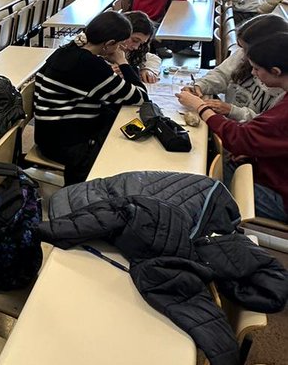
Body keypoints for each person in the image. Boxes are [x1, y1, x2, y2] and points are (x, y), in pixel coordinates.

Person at [179, 33, 288, 222]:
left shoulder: (284, 111)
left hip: (280, 198)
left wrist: (200, 106)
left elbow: (240, 138)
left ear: (276, 71)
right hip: (271, 173)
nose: (253, 73)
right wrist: (255, 154)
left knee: (199, 190)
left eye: (256, 69)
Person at [33, 11, 148, 184]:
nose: (120, 49)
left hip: (48, 134)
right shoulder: (90, 65)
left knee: (119, 119)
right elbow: (141, 98)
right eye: (119, 45)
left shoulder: (67, 51)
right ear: (109, 44)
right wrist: (123, 62)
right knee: (127, 142)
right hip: (65, 144)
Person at [191, 14, 288, 122]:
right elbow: (221, 74)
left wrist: (232, 111)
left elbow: (266, 126)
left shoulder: (282, 87)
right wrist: (201, 85)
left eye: (246, 49)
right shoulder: (244, 55)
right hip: (226, 124)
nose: (243, 54)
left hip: (239, 131)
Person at [123, 11, 163, 84]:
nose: (136, 47)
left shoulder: (129, 52)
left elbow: (153, 58)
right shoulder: (103, 53)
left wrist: (148, 69)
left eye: (141, 43)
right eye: (135, 40)